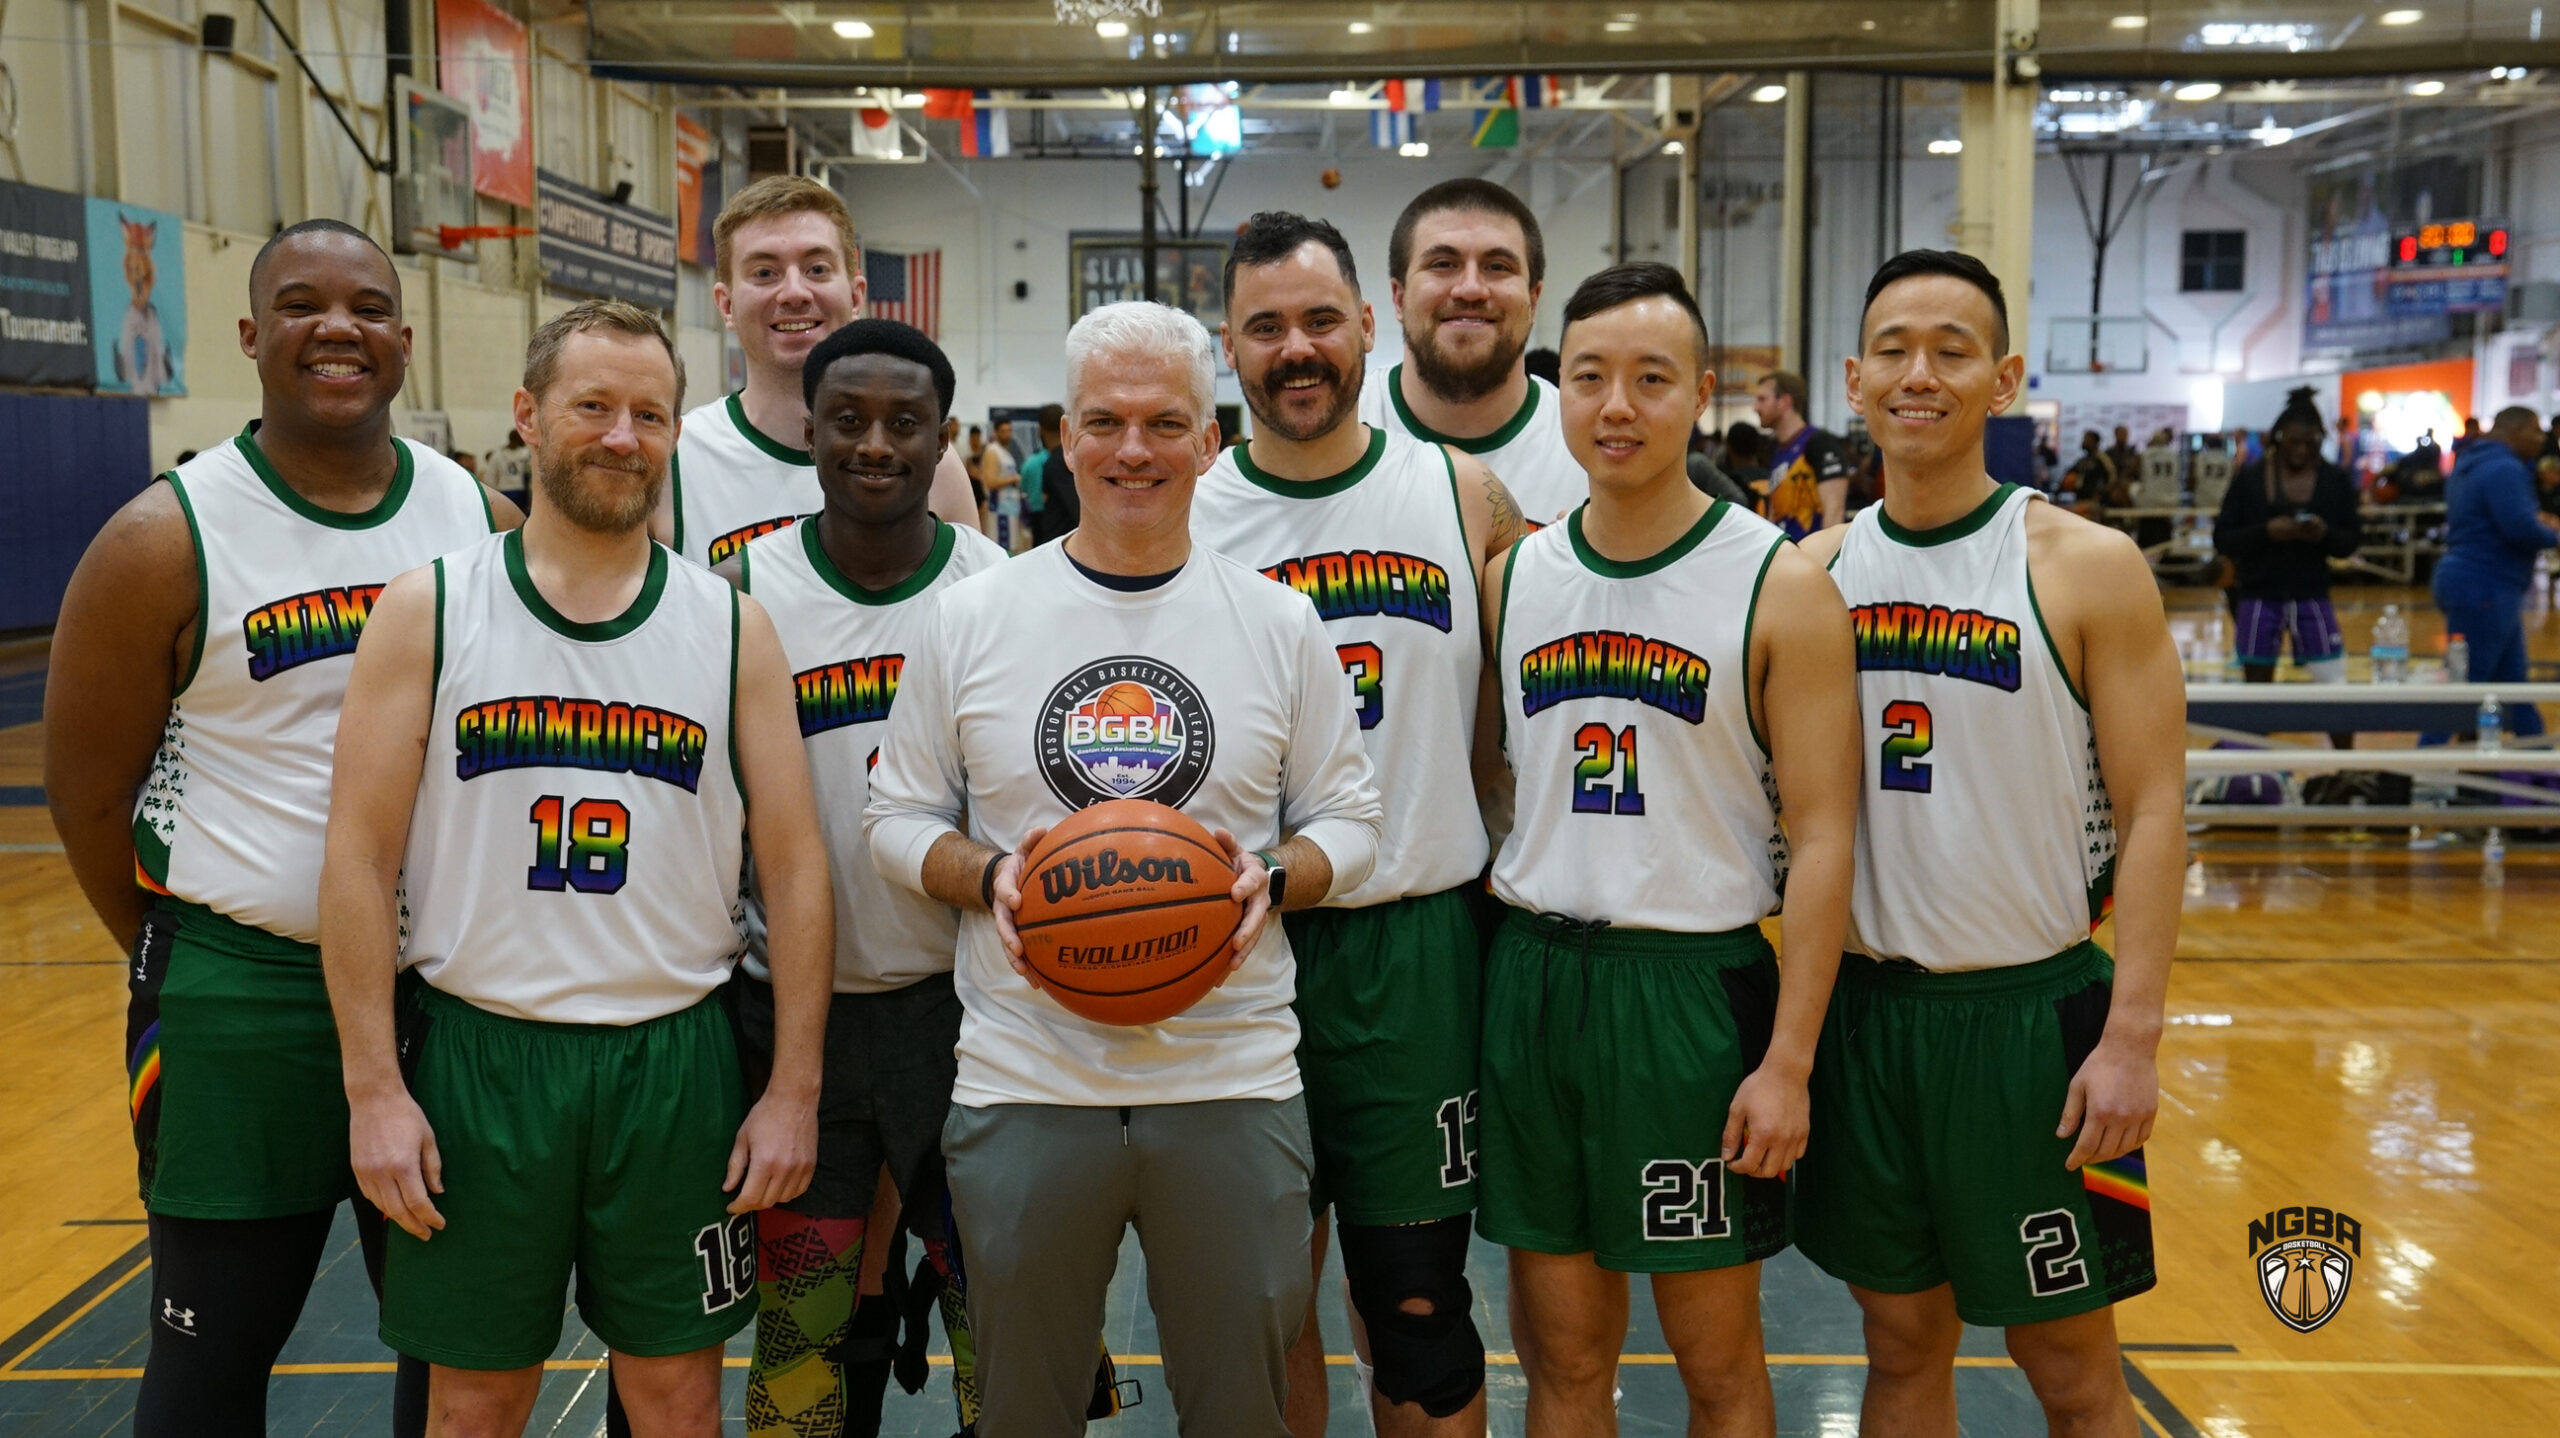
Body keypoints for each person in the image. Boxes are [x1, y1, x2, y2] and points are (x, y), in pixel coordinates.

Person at [864, 299, 1384, 1438]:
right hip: (1026, 1076)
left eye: (1164, 423)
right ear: (1064, 432)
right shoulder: (971, 618)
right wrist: (988, 874)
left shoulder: (1281, 624)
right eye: (1103, 421)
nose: (1132, 449)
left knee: (1242, 1412)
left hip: (1233, 1072)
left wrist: (1274, 876)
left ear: (1210, 441)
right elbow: (894, 816)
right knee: (1022, 1412)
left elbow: (1352, 818)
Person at [320, 298, 832, 1438]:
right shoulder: (430, 608)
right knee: (476, 1402)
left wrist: (792, 1087)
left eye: (649, 413)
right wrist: (373, 1090)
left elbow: (794, 872)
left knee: (675, 1395)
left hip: (674, 1059)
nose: (621, 435)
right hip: (480, 1056)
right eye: (592, 405)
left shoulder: (731, 625)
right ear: (528, 416)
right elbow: (357, 862)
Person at [44, 218, 515, 1438]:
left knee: (445, 1344)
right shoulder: (163, 537)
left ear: (405, 341)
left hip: (435, 986)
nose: (337, 327)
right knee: (213, 1355)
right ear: (252, 337)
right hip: (242, 998)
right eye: (301, 305)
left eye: (365, 305)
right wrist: (191, 943)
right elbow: (90, 798)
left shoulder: (471, 510)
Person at [1794, 250, 2181, 1435]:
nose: (1921, 374)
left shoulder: (2085, 566)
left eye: (1952, 350)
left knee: (2070, 1363)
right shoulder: (1808, 577)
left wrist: (2132, 1038)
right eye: (1895, 350)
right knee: (1899, 1346)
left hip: (2033, 1024)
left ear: (2003, 378)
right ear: (1854, 379)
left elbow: (2158, 806)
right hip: (1867, 1018)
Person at [1476, 262, 1859, 1435]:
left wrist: (1788, 1060)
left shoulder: (1779, 582)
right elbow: (1495, 775)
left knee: (1718, 1363)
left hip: (1692, 995)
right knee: (1564, 1359)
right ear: (1558, 395)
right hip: (1536, 980)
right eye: (1588, 377)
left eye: (1650, 379)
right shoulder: (1514, 577)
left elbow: (1826, 832)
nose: (1616, 406)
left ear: (1700, 393)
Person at [1190, 211, 1524, 1438]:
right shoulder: (1188, 513)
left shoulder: (1464, 493)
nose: (1296, 348)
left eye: (1320, 320)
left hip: (1413, 947)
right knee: (1258, 1308)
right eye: (1265, 326)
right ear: (1228, 345)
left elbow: (1517, 716)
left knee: (1420, 1317)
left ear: (1367, 328)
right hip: (1231, 945)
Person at [713, 319, 1007, 1438]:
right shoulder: (741, 593)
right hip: (796, 1018)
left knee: (1003, 1321)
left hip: (968, 1008)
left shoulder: (1001, 588)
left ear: (944, 440)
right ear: (807, 429)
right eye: (847, 420)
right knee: (799, 1333)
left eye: (904, 423)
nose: (874, 444)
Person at [657, 175, 974, 566]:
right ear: (726, 306)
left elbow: (974, 615)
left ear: (856, 296)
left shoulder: (933, 467)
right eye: (764, 273)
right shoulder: (675, 461)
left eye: (817, 269)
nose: (794, 292)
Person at [1358, 178, 1583, 526]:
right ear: (1398, 297)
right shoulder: (1338, 430)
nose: (1471, 289)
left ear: (1533, 300)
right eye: (1443, 264)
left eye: (1498, 267)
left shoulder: (1588, 445)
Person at [2213, 388, 2362, 685]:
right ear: (2278, 438)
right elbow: (2223, 538)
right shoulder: (2251, 479)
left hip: (2311, 591)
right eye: (2294, 442)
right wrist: (2266, 532)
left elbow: (2350, 542)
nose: (2302, 451)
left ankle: (2338, 733)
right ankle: (2253, 734)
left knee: (2333, 687)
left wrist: (2323, 534)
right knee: (2256, 689)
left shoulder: (2334, 480)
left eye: (2311, 444)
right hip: (2257, 591)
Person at [2438, 406, 2559, 739]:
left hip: (2475, 582)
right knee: (2462, 692)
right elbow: (2519, 527)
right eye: (2536, 431)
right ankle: (2420, 771)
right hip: (2485, 587)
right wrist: (2553, 535)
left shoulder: (2470, 461)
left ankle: (2538, 771)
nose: (2541, 440)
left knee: (2513, 688)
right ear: (2516, 430)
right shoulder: (2504, 467)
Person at [1753, 368, 1854, 539]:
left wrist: (1825, 561)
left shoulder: (1819, 443)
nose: (1755, 407)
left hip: (1813, 556)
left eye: (1762, 399)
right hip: (1785, 556)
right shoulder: (1775, 449)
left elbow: (1834, 511)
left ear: (1784, 402)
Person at [1023, 401, 1079, 545]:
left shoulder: (1056, 463)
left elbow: (1073, 507)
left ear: (1040, 429)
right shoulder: (1065, 458)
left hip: (1060, 539)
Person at [981, 416, 1027, 553]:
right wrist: (1013, 479)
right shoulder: (992, 451)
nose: (1007, 434)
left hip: (1011, 507)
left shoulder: (1006, 452)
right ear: (995, 432)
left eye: (1009, 430)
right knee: (1001, 549)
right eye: (1003, 431)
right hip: (1000, 509)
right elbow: (990, 482)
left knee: (1012, 547)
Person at [492, 429, 534, 510]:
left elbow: (491, 477)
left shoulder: (498, 455)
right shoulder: (526, 454)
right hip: (520, 490)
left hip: (503, 490)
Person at [2105, 424, 2140, 493]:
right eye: (2121, 434)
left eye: (2126, 434)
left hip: (2128, 485)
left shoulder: (2131, 452)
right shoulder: (2109, 453)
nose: (2124, 436)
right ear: (2115, 434)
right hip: (2112, 485)